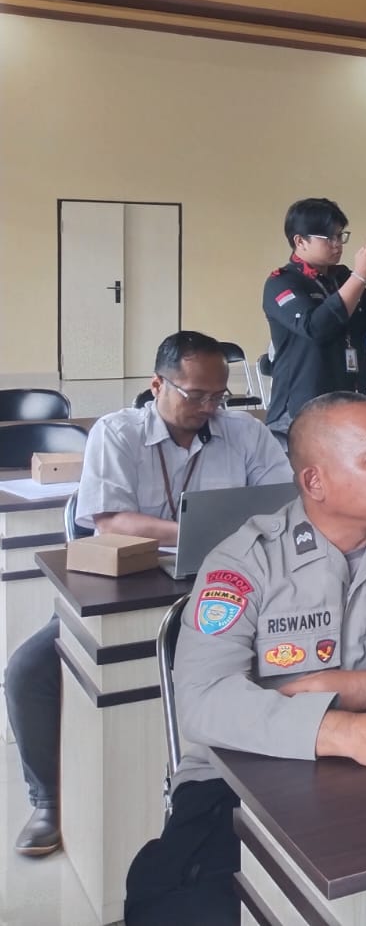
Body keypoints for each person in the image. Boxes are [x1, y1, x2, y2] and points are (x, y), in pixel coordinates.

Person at [122, 394, 366, 924]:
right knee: (190, 904)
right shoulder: (246, 560)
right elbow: (203, 701)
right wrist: (342, 730)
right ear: (315, 482)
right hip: (250, 776)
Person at [5, 332, 291, 859]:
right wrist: (199, 533)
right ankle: (47, 800)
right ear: (158, 385)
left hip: (226, 579)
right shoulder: (117, 434)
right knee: (29, 669)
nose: (209, 408)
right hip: (131, 579)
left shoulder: (244, 433)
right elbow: (112, 521)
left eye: (219, 396)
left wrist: (223, 541)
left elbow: (281, 502)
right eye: (195, 395)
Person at [262, 197, 366, 440]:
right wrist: (360, 277)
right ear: (300, 241)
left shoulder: (342, 277)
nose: (337, 245)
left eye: (339, 236)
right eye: (328, 238)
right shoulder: (281, 282)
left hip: (348, 400)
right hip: (301, 407)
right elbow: (315, 327)